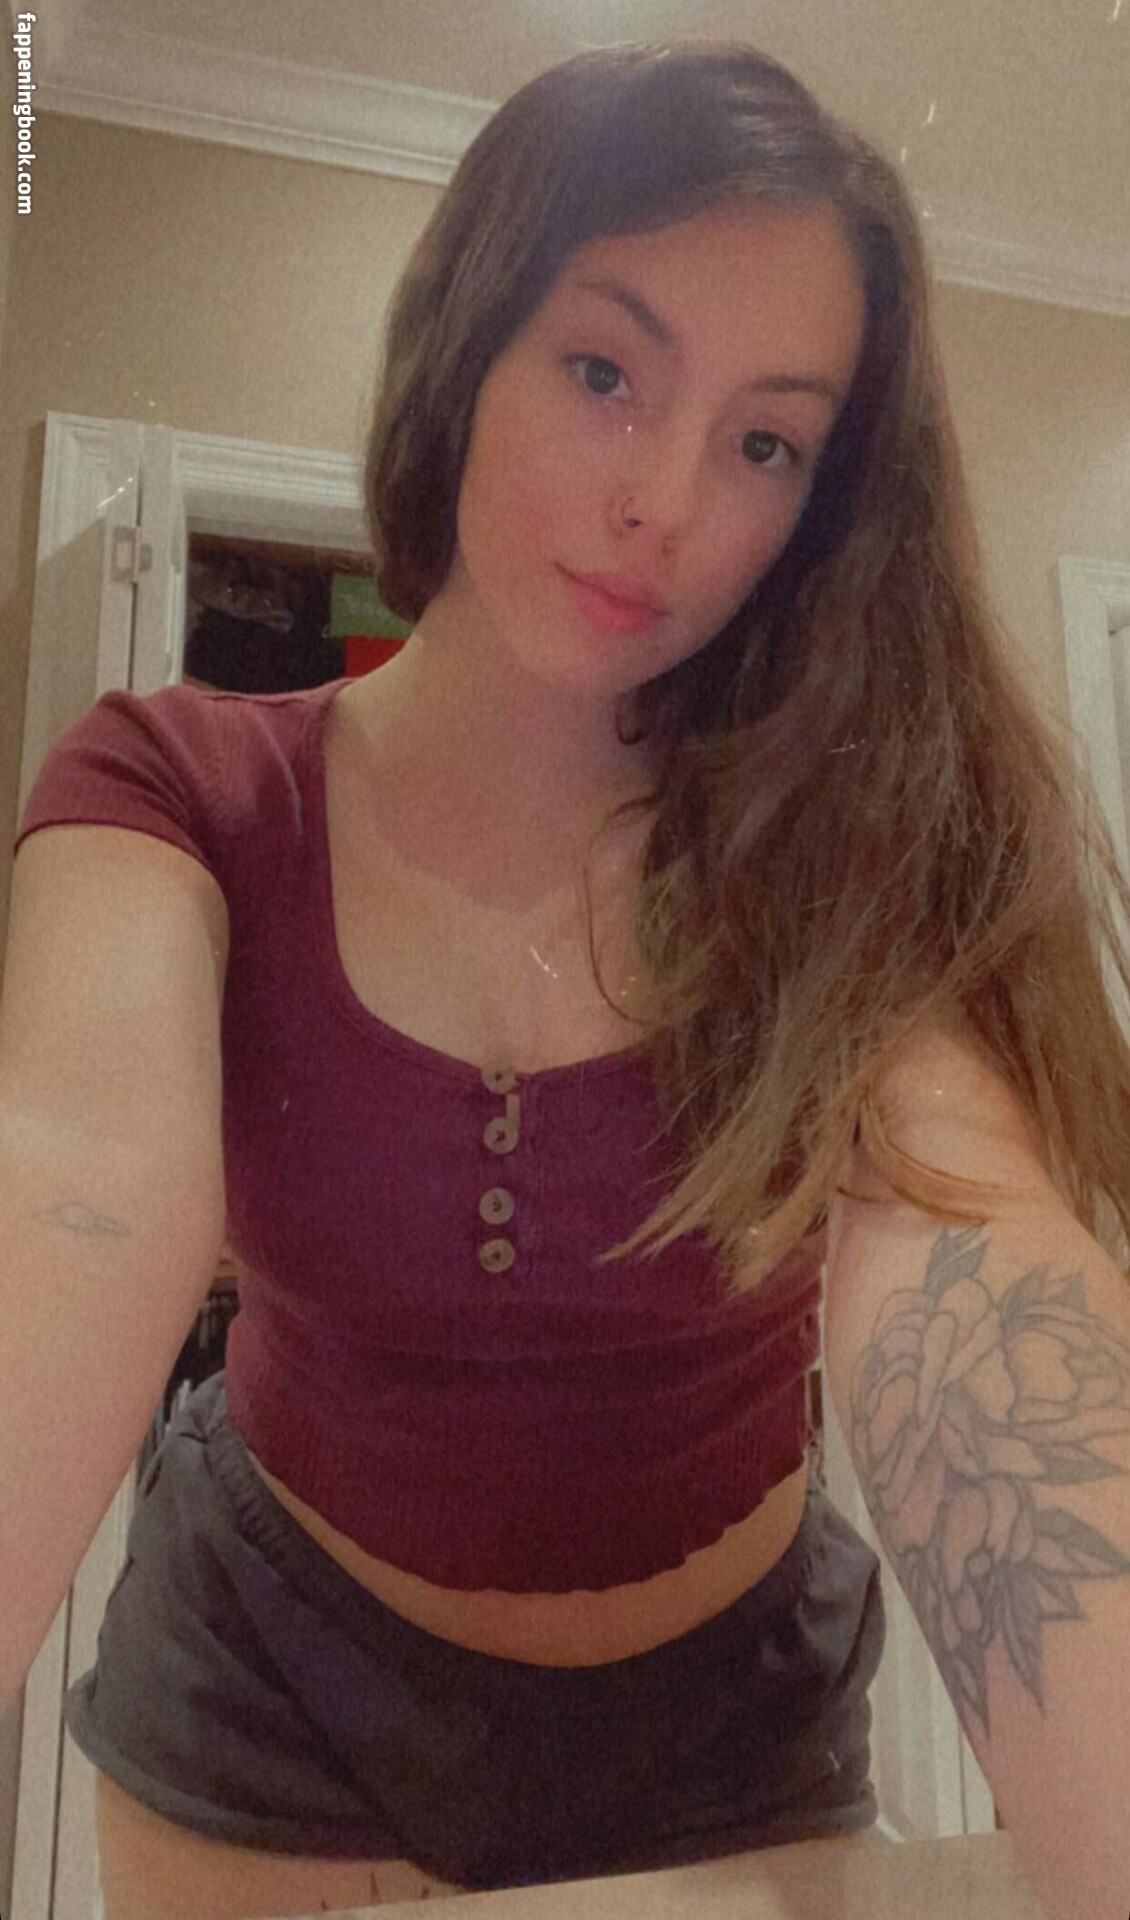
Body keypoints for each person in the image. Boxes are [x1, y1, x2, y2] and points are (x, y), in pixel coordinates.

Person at [4, 36, 1129, 1920]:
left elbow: (969, 1257)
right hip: (273, 1699)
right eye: (604, 370)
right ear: (466, 340)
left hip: (728, 1728)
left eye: (764, 442)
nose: (664, 501)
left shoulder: (835, 857)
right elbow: (68, 1192)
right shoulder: (175, 792)